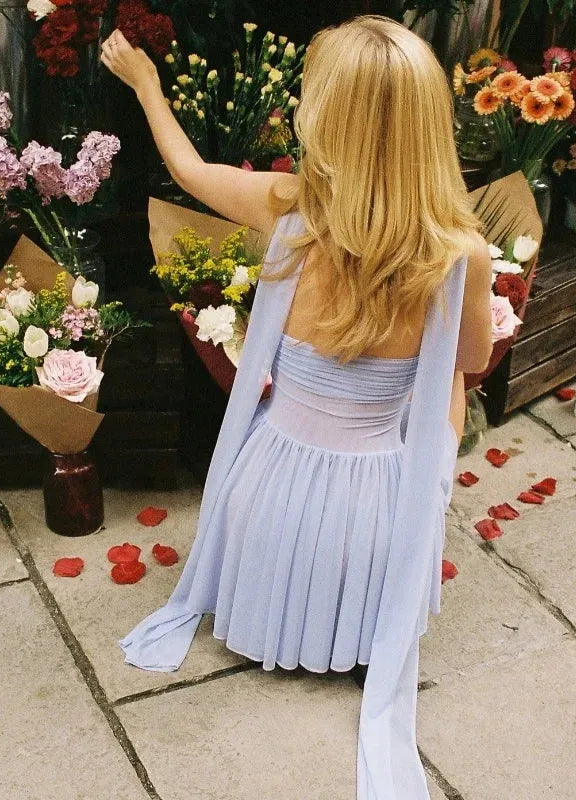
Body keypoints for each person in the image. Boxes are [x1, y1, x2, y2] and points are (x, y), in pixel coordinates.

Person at [101, 15, 492, 800]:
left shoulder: (285, 205)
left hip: (265, 502)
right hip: (372, 526)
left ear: (328, 120)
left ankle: (269, 612)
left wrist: (146, 85)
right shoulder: (460, 256)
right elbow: (471, 363)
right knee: (438, 399)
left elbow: (187, 168)